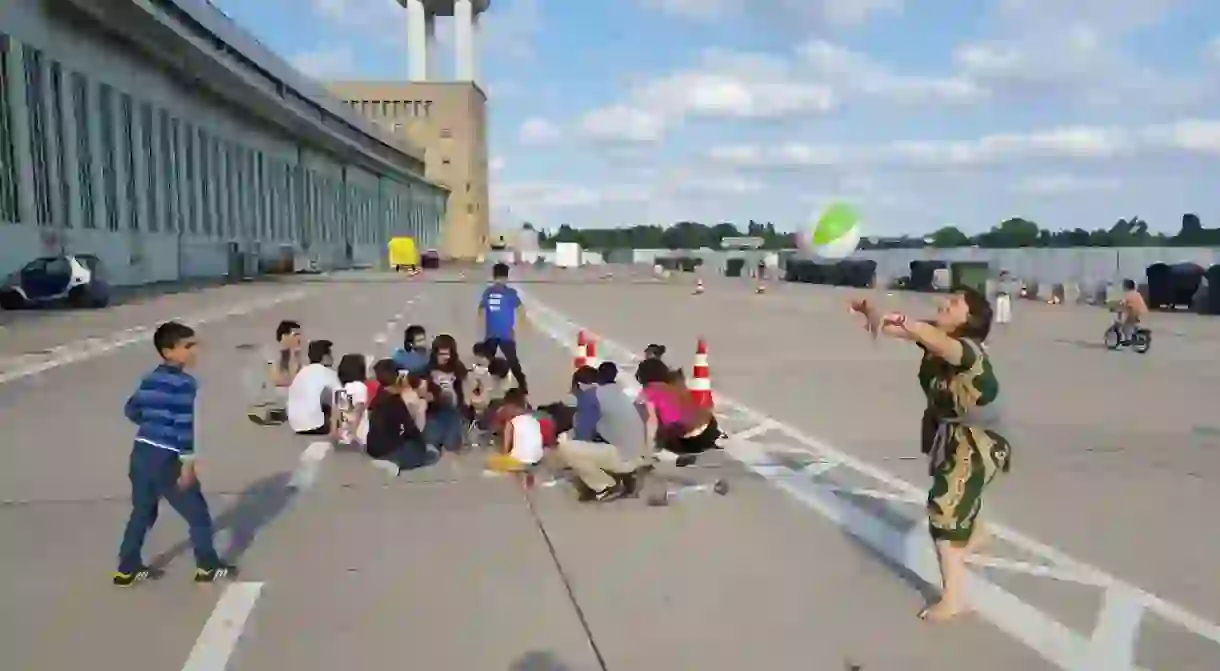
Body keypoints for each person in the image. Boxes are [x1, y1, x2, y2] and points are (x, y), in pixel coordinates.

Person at [849, 287, 1010, 623]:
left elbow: (931, 338)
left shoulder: (966, 350)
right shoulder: (936, 337)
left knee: (944, 509)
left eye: (954, 304)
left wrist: (909, 322)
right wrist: (873, 314)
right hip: (951, 433)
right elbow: (896, 329)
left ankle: (953, 599)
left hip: (977, 440)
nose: (944, 304)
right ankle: (977, 533)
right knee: (954, 490)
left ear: (969, 320)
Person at [115, 321, 236, 586]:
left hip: (142, 452)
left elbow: (131, 410)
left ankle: (127, 566)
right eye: (188, 346)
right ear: (169, 351)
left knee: (143, 511)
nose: (194, 351)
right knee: (198, 513)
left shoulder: (149, 378)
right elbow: (183, 425)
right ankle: (207, 565)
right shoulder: (185, 384)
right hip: (167, 458)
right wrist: (187, 463)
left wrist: (153, 425)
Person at [634, 358, 719, 467]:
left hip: (691, 439)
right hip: (710, 425)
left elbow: (672, 422)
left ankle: (686, 454)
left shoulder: (649, 392)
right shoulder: (675, 386)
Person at [365, 359, 438, 476]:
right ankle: (393, 462)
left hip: (372, 447)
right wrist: (422, 443)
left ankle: (388, 461)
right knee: (427, 454)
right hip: (388, 448)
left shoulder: (378, 397)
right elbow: (410, 429)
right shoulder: (395, 400)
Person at [479, 262, 528, 394]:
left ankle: (482, 386)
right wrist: (522, 325)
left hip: (491, 333)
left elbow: (481, 311)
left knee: (486, 361)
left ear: (493, 277)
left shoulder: (488, 292)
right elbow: (521, 309)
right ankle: (523, 386)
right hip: (506, 334)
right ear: (506, 277)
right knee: (513, 361)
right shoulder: (510, 293)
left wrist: (481, 327)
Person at [246, 320, 303, 425]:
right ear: (284, 336)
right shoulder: (271, 351)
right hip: (263, 403)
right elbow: (277, 379)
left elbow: (294, 376)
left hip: (275, 397)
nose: (299, 338)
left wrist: (294, 355)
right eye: (295, 335)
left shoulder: (290, 353)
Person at [287, 340, 341, 435]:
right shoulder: (329, 373)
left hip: (296, 425)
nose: (333, 358)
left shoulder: (301, 372)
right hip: (316, 426)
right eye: (330, 355)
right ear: (325, 357)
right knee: (338, 402)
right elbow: (341, 400)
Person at [425, 334, 468, 452]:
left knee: (451, 446)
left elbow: (465, 392)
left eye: (448, 354)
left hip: (454, 412)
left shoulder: (458, 368)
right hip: (434, 411)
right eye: (441, 354)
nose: (445, 357)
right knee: (431, 443)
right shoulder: (427, 370)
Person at [486, 389, 545, 473]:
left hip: (518, 463)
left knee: (489, 462)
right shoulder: (535, 420)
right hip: (536, 462)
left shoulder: (510, 424)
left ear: (510, 406)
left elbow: (505, 452)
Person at [331, 354, 371, 447]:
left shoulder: (338, 388)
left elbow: (334, 413)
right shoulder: (360, 387)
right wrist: (353, 434)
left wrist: (334, 432)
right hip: (358, 436)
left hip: (341, 436)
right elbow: (358, 411)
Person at [1115, 278, 1148, 343]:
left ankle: (1128, 340)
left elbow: (1122, 303)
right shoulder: (1137, 293)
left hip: (1134, 312)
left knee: (1125, 326)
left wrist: (1117, 307)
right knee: (1133, 324)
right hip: (1142, 311)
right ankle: (1136, 335)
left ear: (1126, 287)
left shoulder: (1128, 294)